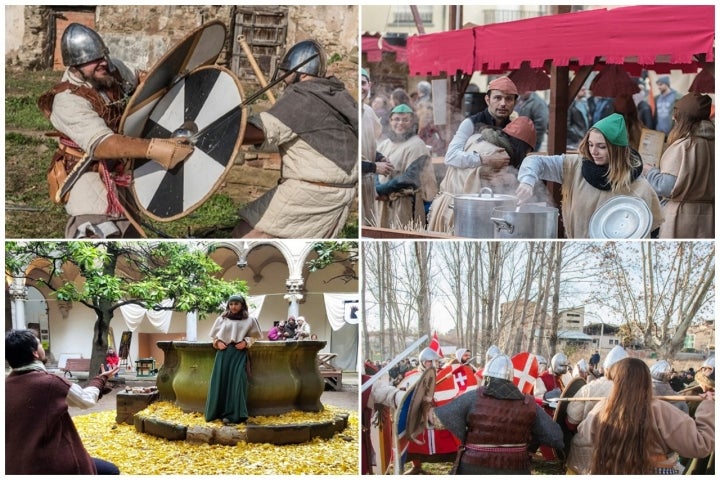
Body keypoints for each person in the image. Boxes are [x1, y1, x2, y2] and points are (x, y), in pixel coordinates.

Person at [37, 23, 194, 239]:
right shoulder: (67, 100)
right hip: (87, 170)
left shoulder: (112, 70)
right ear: (75, 66)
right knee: (95, 234)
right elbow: (102, 144)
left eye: (103, 56)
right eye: (93, 60)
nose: (103, 63)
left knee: (130, 234)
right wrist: (156, 148)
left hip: (122, 166)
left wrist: (163, 83)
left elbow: (141, 80)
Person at [233, 39, 358, 239]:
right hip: (338, 192)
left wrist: (227, 130)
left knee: (246, 235)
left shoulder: (304, 97)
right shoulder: (335, 94)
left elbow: (260, 132)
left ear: (302, 73)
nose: (283, 78)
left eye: (286, 72)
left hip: (312, 192)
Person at [516, 113, 664, 238]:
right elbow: (535, 161)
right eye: (591, 144)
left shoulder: (640, 186)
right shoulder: (574, 166)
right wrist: (527, 182)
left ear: (617, 149)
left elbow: (647, 233)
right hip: (578, 254)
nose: (593, 151)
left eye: (602, 146)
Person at [566, 357, 714, 475]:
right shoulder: (661, 410)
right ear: (646, 380)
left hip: (609, 470)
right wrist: (709, 405)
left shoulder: (603, 408)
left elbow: (585, 434)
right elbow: (700, 445)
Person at [5, 329, 121, 474]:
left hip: (13, 466)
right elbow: (86, 400)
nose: (42, 348)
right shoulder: (50, 383)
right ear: (35, 353)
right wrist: (101, 379)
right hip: (49, 464)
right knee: (111, 471)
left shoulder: (6, 385)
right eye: (40, 344)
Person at [428, 354, 564, 474]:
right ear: (511, 379)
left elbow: (437, 421)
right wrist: (529, 438)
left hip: (473, 467)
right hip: (516, 468)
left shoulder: (472, 398)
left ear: (487, 378)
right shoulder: (529, 404)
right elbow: (556, 438)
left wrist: (427, 406)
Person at [427, 116, 536, 234]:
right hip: (462, 213)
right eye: (527, 151)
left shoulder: (476, 138)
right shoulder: (500, 155)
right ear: (522, 147)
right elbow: (494, 194)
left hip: (443, 207)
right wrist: (510, 181)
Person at [644, 93, 714, 239]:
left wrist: (650, 171)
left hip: (681, 218)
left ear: (684, 118)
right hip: (711, 217)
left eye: (676, 114)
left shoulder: (684, 146)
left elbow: (666, 187)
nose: (672, 118)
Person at [375, 104, 438, 230]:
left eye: (405, 120)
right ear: (390, 121)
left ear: (412, 122)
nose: (400, 123)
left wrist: (381, 189)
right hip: (382, 203)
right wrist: (376, 187)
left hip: (405, 205)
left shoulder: (417, 145)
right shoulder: (384, 145)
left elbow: (410, 178)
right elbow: (374, 169)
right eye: (397, 119)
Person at [204, 294, 262, 425]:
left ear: (242, 305)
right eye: (231, 304)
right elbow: (214, 337)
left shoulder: (250, 320)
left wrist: (246, 343)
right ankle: (217, 412)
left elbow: (254, 336)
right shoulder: (222, 319)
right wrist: (217, 342)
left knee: (237, 382)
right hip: (223, 354)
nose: (233, 307)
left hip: (238, 354)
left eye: (236, 304)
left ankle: (234, 414)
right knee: (220, 381)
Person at [444, 76, 521, 169]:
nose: (503, 103)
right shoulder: (470, 123)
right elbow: (451, 157)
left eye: (509, 99)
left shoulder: (514, 130)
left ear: (515, 103)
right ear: (487, 100)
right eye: (498, 98)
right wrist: (484, 159)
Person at [360, 68, 394, 226]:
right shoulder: (346, 112)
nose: (360, 88)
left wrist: (380, 157)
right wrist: (374, 167)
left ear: (370, 85)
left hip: (367, 186)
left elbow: (367, 147)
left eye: (363, 83)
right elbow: (347, 158)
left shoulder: (368, 112)